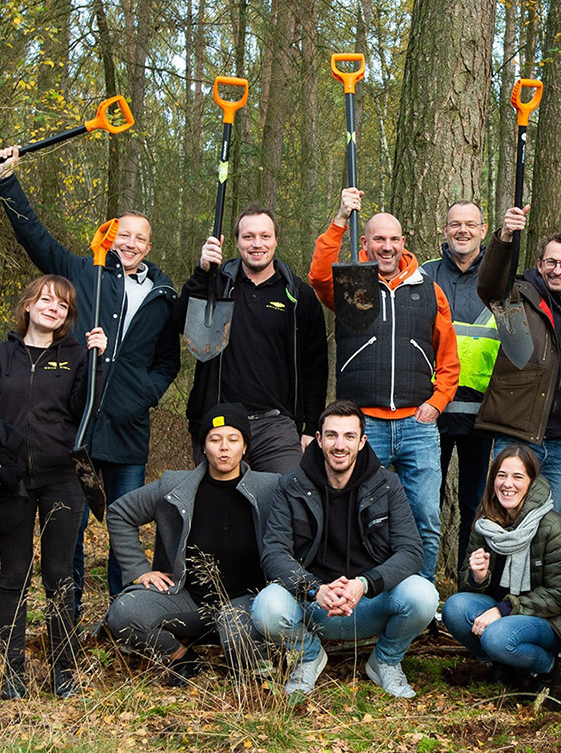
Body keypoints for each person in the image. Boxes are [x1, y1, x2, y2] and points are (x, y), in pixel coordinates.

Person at [0, 144, 180, 610]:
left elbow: (168, 361)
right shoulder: (84, 271)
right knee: (71, 528)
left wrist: (146, 393)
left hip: (127, 428)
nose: (130, 242)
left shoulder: (163, 295)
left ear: (149, 246)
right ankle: (70, 613)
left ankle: (125, 616)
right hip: (75, 429)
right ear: (111, 235)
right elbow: (34, 237)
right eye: (123, 233)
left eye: (140, 237)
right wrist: (7, 183)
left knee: (125, 523)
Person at [309, 188, 459, 583]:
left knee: (425, 517)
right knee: (360, 517)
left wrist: (438, 401)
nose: (387, 247)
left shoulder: (429, 289)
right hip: (364, 427)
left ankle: (420, 600)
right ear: (366, 243)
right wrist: (341, 218)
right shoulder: (351, 285)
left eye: (394, 239)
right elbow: (318, 275)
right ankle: (365, 593)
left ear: (403, 243)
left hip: (417, 426)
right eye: (378, 239)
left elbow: (448, 358)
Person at [252, 400, 438, 699]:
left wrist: (364, 584)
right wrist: (315, 589)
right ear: (319, 439)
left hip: (368, 603)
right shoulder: (292, 485)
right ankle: (308, 656)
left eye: (349, 436)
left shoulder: (387, 484)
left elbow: (412, 551)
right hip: (312, 605)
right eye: (332, 435)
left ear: (362, 441)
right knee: (267, 607)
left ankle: (385, 662)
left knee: (423, 595)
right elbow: (274, 553)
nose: (340, 445)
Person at [105, 404, 280, 685]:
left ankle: (249, 665)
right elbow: (119, 513)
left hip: (244, 604)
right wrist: (138, 570)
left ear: (245, 447)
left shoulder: (270, 488)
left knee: (239, 640)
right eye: (215, 439)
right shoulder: (176, 485)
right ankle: (181, 657)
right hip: (187, 600)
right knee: (124, 613)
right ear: (203, 446)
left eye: (233, 440)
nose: (224, 448)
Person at [0, 275, 106, 698]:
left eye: (62, 305)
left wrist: (100, 362)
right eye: (45, 300)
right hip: (11, 480)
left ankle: (63, 670)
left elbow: (87, 410)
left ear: (67, 317)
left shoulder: (77, 356)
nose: (53, 308)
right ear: (28, 305)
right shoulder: (4, 353)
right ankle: (12, 672)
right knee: (12, 575)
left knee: (60, 574)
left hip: (63, 477)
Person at [475, 206, 561, 512]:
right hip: (518, 436)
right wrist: (506, 237)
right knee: (506, 517)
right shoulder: (516, 298)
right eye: (551, 262)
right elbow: (488, 286)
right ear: (539, 264)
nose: (557, 270)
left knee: (548, 523)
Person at [176, 204, 328, 474]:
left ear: (276, 240)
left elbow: (314, 367)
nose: (257, 244)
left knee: (286, 502)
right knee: (222, 510)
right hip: (220, 421)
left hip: (277, 425)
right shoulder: (218, 285)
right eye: (248, 237)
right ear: (236, 242)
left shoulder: (298, 297)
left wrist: (310, 427)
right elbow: (181, 323)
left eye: (265, 236)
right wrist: (202, 272)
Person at [441, 445, 561, 686]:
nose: (508, 484)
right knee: (454, 608)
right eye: (501, 475)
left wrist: (504, 610)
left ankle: (545, 667)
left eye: (518, 477)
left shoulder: (551, 526)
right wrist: (479, 577)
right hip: (505, 610)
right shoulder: (485, 522)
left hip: (549, 620)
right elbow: (466, 587)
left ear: (531, 482)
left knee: (496, 637)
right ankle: (501, 664)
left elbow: (559, 595)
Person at [422, 202, 499, 569]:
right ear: (445, 229)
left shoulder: (499, 278)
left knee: (474, 504)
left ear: (484, 230)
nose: (463, 231)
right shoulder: (423, 275)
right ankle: (422, 581)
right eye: (456, 224)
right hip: (430, 411)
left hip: (481, 415)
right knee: (424, 501)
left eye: (471, 224)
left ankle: (469, 583)